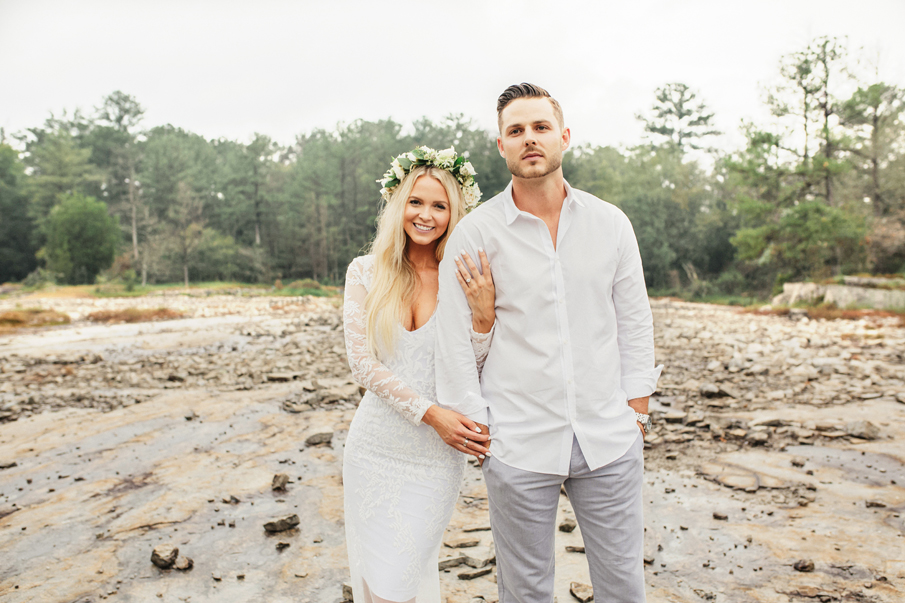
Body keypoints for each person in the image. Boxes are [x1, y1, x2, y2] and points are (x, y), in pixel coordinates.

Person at [435, 83, 663, 603]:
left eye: (540, 127)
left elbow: (634, 321)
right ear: (501, 145)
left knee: (624, 589)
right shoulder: (476, 234)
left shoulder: (610, 224)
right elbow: (452, 339)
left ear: (563, 136)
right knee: (526, 592)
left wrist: (637, 413)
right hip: (518, 442)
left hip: (609, 438)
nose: (529, 139)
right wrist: (481, 428)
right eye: (516, 130)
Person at [342, 146, 497, 603]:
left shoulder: (464, 275)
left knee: (401, 580)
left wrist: (485, 319)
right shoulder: (366, 272)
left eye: (439, 205)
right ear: (398, 204)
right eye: (416, 202)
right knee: (377, 585)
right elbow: (362, 363)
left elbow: (478, 369)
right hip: (373, 450)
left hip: (434, 460)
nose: (425, 215)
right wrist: (432, 414)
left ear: (455, 212)